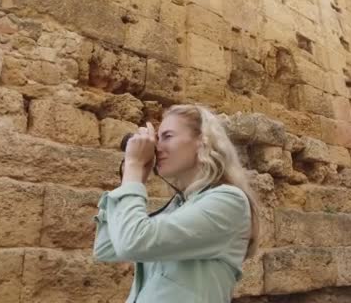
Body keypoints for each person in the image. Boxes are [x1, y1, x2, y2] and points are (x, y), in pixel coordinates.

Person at [93, 104, 260, 303]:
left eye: (167, 136)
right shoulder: (180, 206)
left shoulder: (228, 201)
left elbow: (132, 242)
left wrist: (134, 167)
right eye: (157, 138)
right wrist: (130, 180)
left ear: (201, 140)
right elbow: (107, 248)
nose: (157, 147)